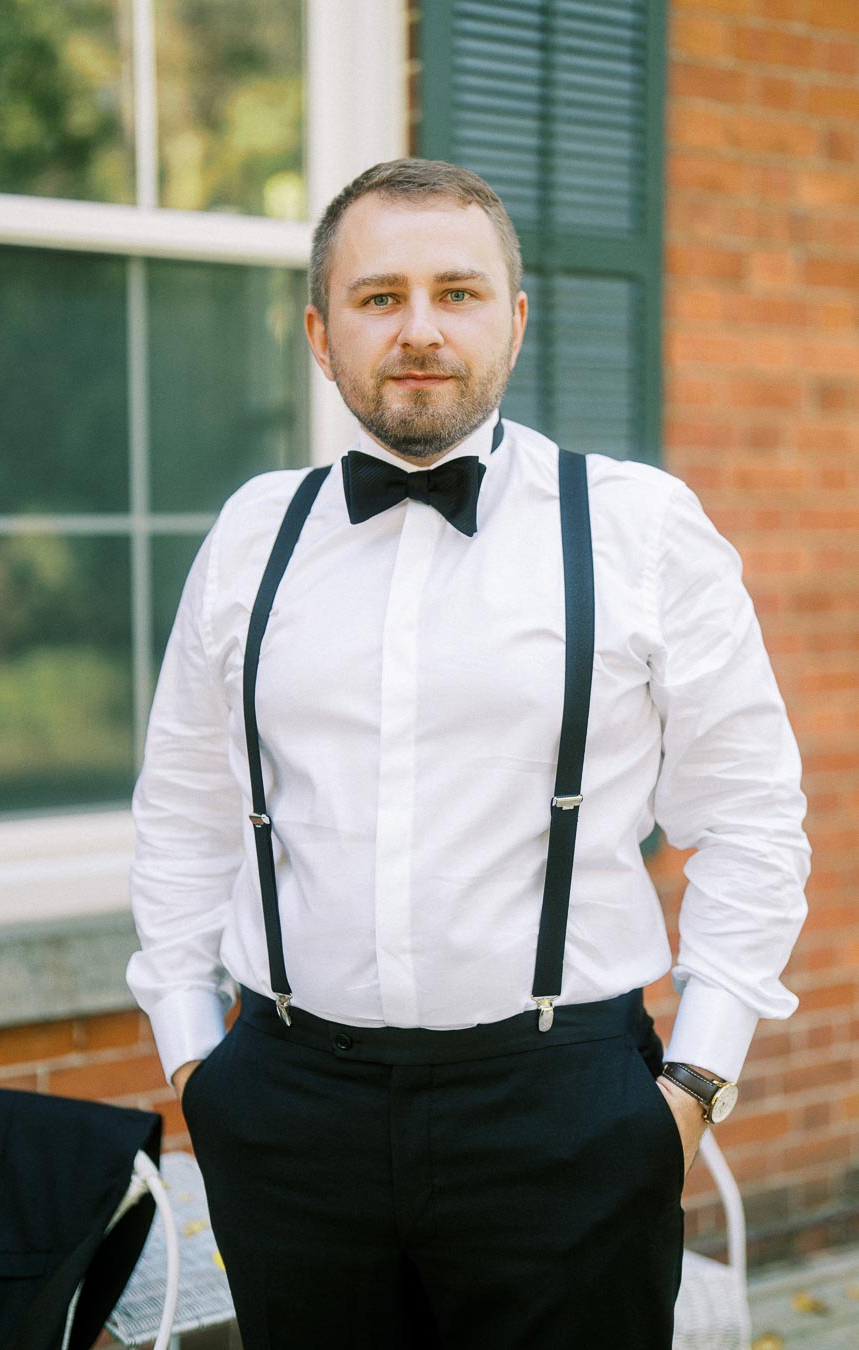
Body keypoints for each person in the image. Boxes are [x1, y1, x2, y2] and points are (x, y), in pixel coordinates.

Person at [127, 159, 809, 1350]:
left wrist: (692, 1089)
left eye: (459, 291)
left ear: (516, 319)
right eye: (378, 297)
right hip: (287, 1110)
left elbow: (753, 821)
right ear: (320, 334)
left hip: (565, 1111)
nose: (421, 330)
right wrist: (196, 1059)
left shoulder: (640, 529)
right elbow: (183, 809)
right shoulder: (252, 532)